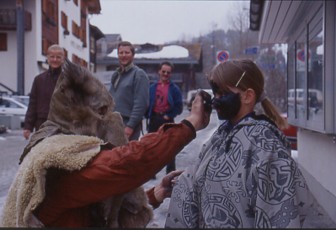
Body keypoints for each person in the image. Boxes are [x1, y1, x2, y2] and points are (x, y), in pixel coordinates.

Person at [0, 58, 211, 228]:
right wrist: (190, 124)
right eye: (102, 112)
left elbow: (102, 201)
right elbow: (127, 164)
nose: (109, 120)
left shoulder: (60, 143)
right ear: (81, 115)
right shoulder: (61, 160)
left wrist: (155, 194)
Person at [165, 59, 316, 228]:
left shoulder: (267, 147)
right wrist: (187, 179)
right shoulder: (222, 135)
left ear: (248, 96)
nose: (215, 101)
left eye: (223, 93)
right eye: (215, 94)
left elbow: (279, 214)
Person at [146, 61, 183, 175]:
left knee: (169, 147)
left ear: (171, 74)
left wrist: (169, 115)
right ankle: (150, 172)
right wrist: (147, 114)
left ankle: (170, 172)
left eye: (168, 72)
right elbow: (146, 103)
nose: (165, 74)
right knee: (150, 146)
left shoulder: (174, 89)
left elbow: (179, 107)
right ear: (159, 72)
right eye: (163, 71)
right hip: (154, 119)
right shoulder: (152, 88)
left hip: (167, 120)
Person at [109, 41, 149, 140]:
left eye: (127, 53)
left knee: (127, 154)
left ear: (133, 55)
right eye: (121, 53)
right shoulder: (116, 75)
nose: (123, 55)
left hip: (128, 125)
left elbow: (141, 104)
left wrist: (130, 126)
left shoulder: (139, 74)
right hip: (113, 124)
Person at [23, 44, 65, 140]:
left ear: (63, 59)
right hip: (42, 124)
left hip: (63, 124)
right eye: (52, 56)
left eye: (58, 57)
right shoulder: (39, 80)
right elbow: (32, 104)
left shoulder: (69, 80)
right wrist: (28, 127)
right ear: (47, 58)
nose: (55, 59)